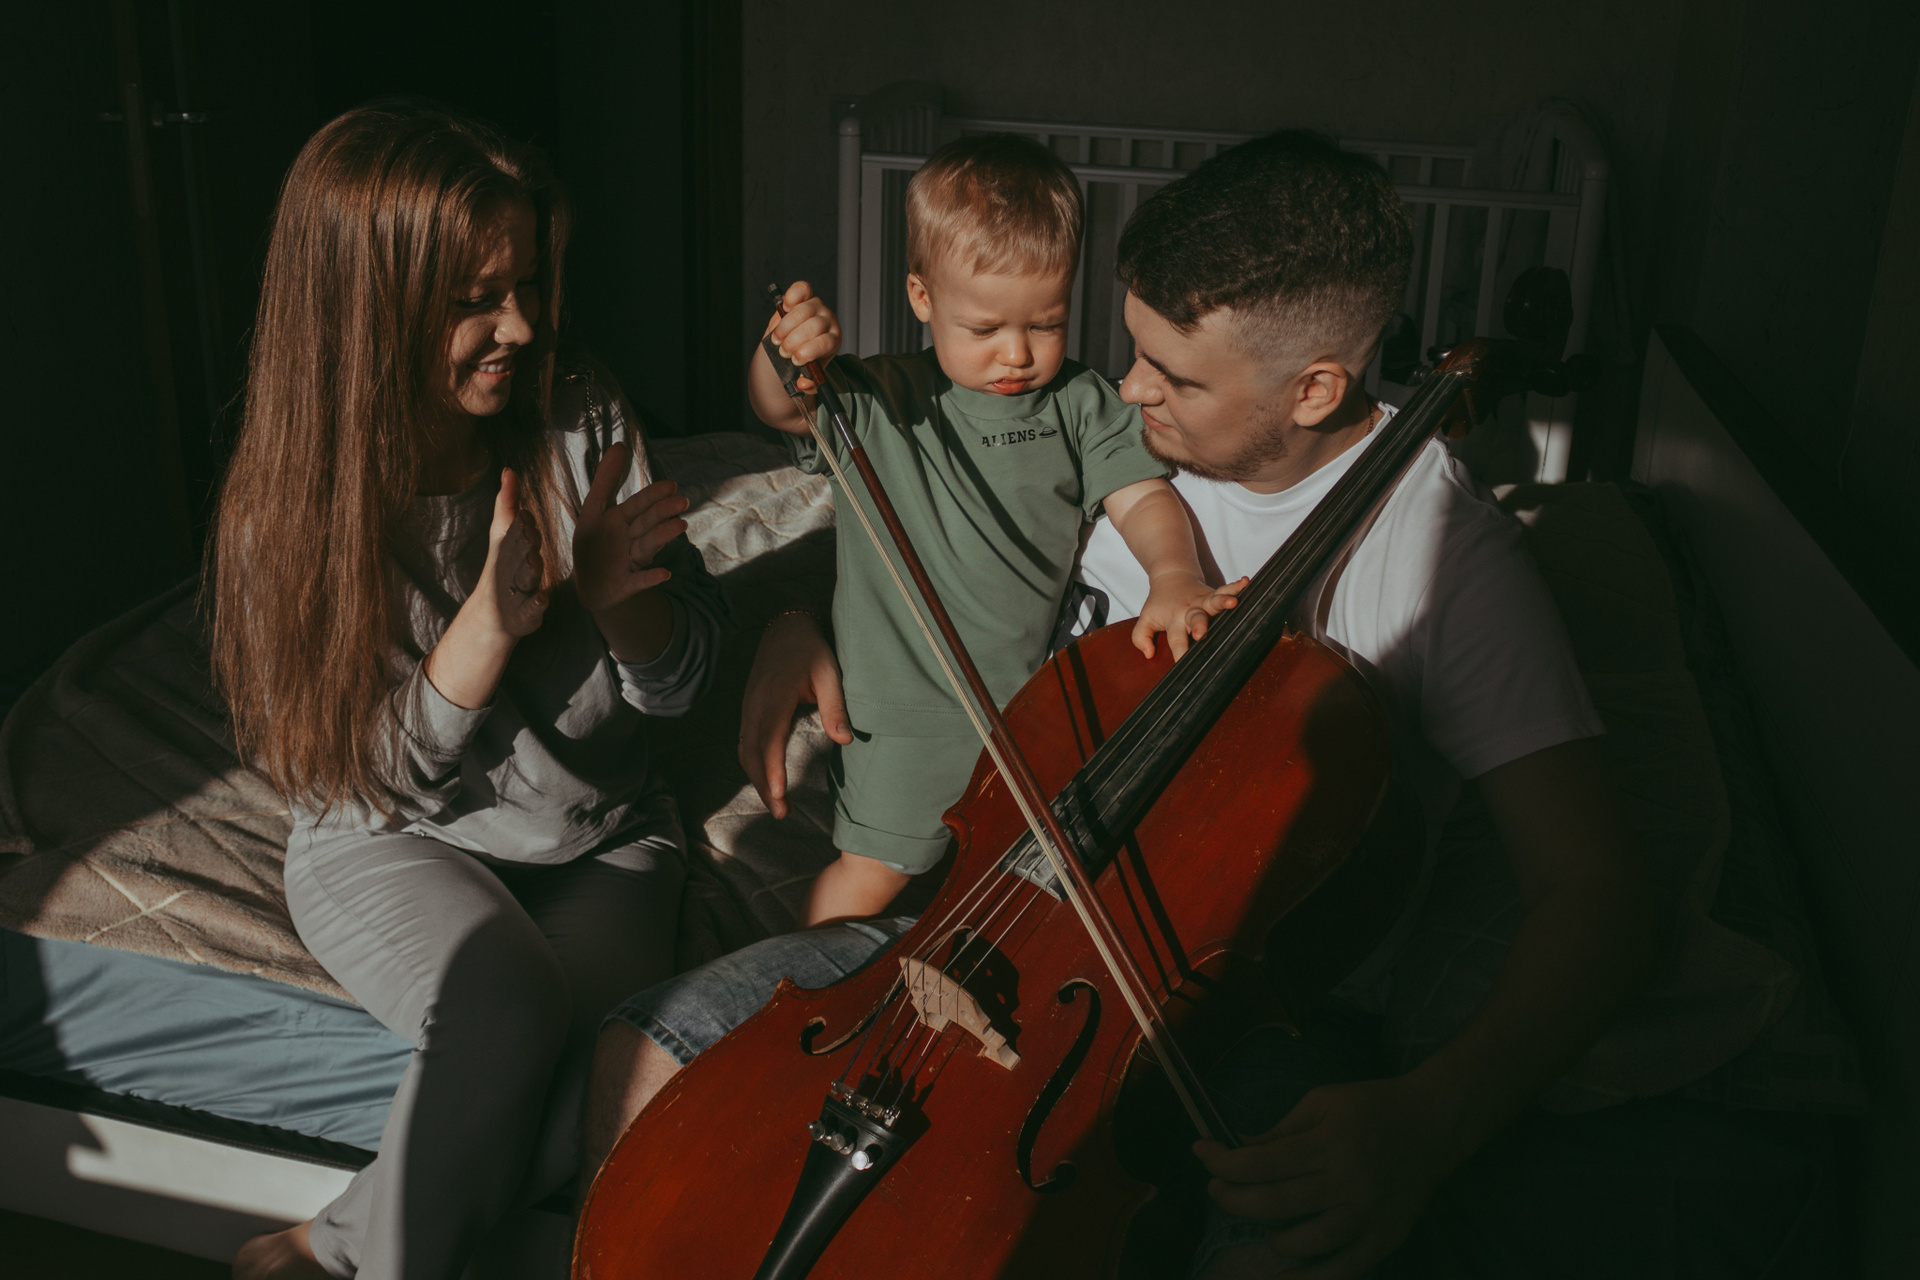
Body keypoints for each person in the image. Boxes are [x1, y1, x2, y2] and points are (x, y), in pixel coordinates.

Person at [583, 131, 1657, 1279]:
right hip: (995, 911)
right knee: (646, 1051)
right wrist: (799, 621)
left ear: (1314, 388)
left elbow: (1600, 894)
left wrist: (1434, 1116)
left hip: (1228, 1015)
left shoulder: (1451, 563)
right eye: (1134, 349)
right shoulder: (1117, 428)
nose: (1127, 386)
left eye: (1173, 375)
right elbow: (936, 531)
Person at [212, 102, 727, 1280]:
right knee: (501, 1010)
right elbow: (370, 777)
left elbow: (685, 679)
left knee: (598, 1081)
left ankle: (335, 1244)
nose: (523, 324)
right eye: (475, 298)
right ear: (371, 309)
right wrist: (486, 627)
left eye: (528, 281)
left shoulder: (578, 408)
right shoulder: (294, 503)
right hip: (387, 833)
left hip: (603, 835)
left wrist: (623, 606)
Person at [748, 133, 1241, 928]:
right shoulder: (876, 399)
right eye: (984, 330)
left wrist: (1175, 575)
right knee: (868, 879)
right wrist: (784, 355)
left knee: (1021, 895)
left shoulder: (1082, 402)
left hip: (1027, 711)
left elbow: (1143, 496)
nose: (1016, 354)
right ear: (921, 298)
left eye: (1046, 325)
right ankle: (807, 991)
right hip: (904, 714)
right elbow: (782, 406)